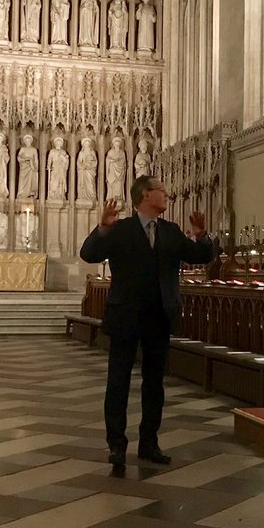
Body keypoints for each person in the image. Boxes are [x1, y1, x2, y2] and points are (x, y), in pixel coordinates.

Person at [79, 176, 213, 467]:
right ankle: (117, 444)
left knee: (154, 383)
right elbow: (88, 254)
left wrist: (201, 235)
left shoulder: (171, 231)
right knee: (118, 381)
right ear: (145, 195)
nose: (166, 195)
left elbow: (201, 256)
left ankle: (149, 443)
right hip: (126, 315)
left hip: (159, 316)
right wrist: (102, 229)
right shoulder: (120, 229)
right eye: (161, 191)